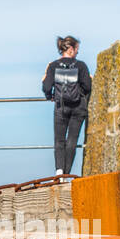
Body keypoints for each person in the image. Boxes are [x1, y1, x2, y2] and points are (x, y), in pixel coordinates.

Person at [42, 35, 91, 177]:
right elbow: (87, 86)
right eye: (77, 49)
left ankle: (59, 171)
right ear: (70, 49)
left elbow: (46, 87)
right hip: (78, 107)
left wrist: (49, 96)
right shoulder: (81, 66)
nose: (77, 52)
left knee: (59, 140)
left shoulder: (53, 66)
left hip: (60, 107)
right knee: (72, 141)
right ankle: (67, 174)